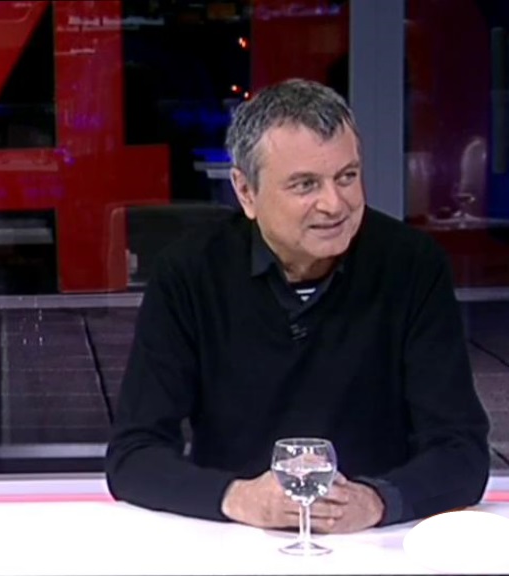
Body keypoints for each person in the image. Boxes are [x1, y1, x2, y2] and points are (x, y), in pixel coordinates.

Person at [105, 79, 491, 533]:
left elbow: (462, 453)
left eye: (347, 177)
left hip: (376, 542)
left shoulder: (412, 265)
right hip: (232, 538)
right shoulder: (190, 273)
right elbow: (133, 455)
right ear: (246, 192)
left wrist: (376, 501)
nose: (335, 204)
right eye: (306, 184)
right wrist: (238, 498)